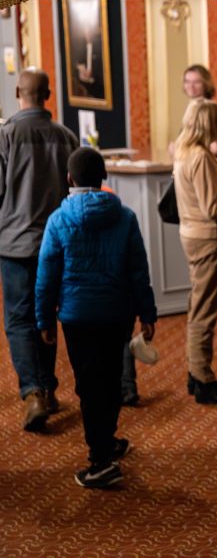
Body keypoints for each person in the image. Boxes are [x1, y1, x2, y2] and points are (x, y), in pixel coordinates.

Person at [34, 148, 157, 488]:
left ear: (69, 179)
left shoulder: (59, 220)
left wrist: (43, 320)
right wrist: (147, 313)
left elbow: (46, 277)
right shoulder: (126, 217)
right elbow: (138, 271)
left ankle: (100, 459)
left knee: (89, 386)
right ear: (104, 178)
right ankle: (107, 440)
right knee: (112, 378)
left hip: (77, 317)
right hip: (117, 313)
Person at [0, 67, 78, 431]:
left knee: (19, 319)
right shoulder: (66, 137)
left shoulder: (7, 135)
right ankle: (47, 388)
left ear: (19, 92)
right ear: (48, 94)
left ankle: (33, 391)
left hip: (15, 245)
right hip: (55, 244)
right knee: (46, 316)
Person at [174, 98, 217, 404]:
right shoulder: (200, 157)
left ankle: (197, 372)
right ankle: (203, 379)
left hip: (194, 234)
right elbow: (213, 207)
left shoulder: (184, 151)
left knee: (199, 303)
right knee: (205, 307)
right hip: (207, 237)